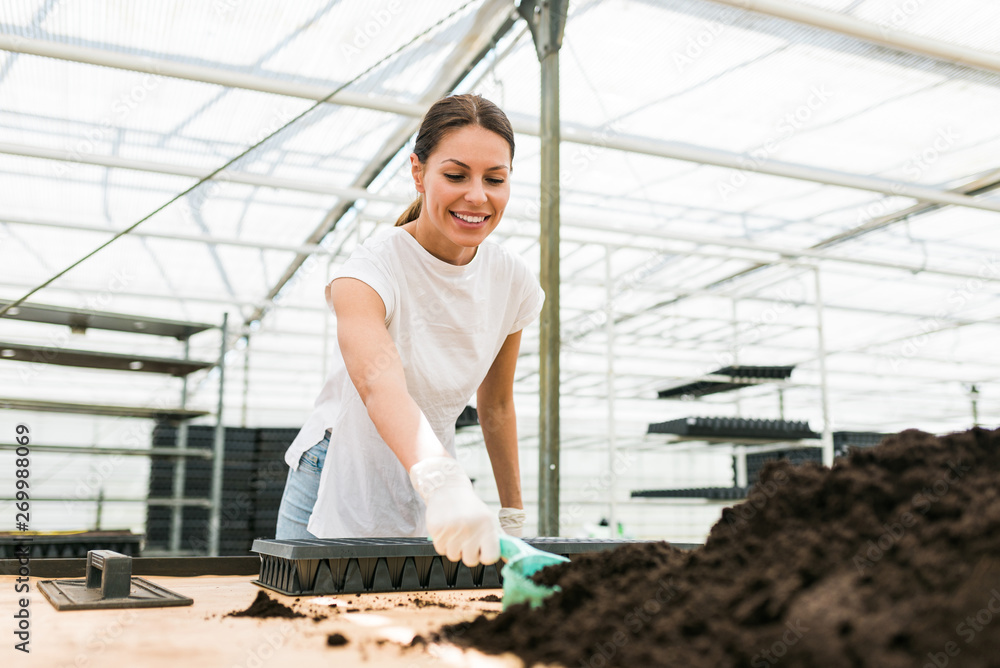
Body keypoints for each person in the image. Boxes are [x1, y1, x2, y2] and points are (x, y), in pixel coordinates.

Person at [275, 94, 543, 568]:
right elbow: (379, 385)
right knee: (308, 622)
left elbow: (496, 404)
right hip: (338, 470)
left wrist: (513, 514)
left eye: (495, 179)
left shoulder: (512, 280)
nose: (477, 196)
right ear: (418, 173)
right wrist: (444, 481)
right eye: (456, 176)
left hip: (430, 474)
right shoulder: (370, 269)